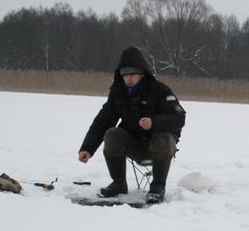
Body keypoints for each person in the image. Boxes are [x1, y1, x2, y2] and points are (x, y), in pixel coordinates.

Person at [78, 46, 186, 204]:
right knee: (112, 133)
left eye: (133, 74)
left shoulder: (160, 91)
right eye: (125, 74)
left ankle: (157, 187)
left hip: (160, 148)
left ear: (143, 74)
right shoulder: (117, 93)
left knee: (163, 135)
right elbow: (102, 121)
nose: (128, 78)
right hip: (134, 145)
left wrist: (154, 122)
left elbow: (179, 119)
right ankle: (118, 184)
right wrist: (87, 147)